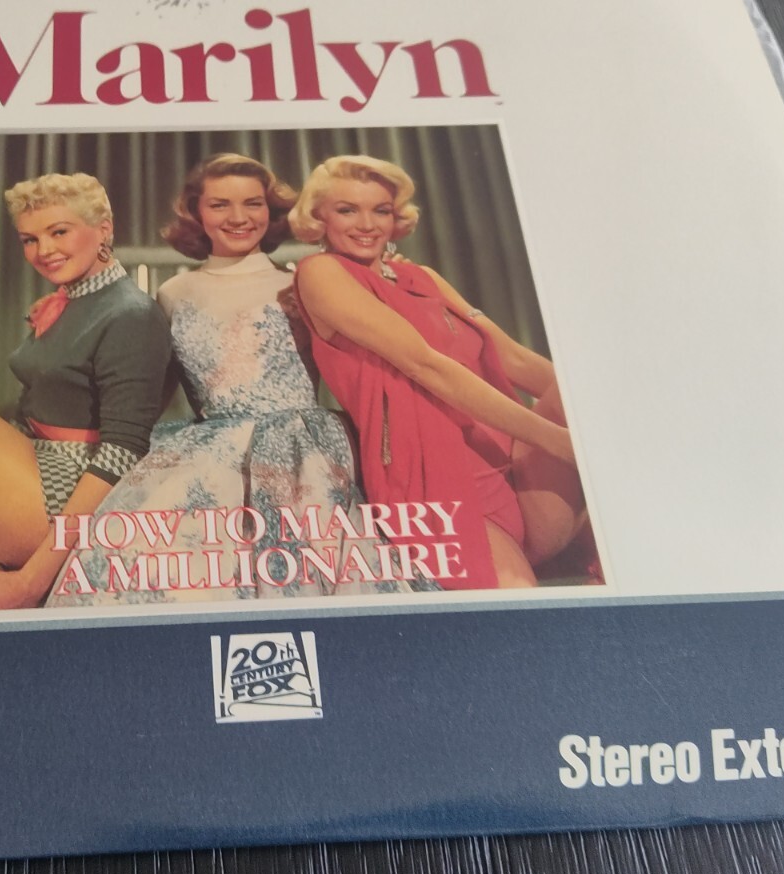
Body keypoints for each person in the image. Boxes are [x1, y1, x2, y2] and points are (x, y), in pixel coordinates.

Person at [50, 154, 404, 604]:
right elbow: (149, 396)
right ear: (196, 213)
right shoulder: (172, 294)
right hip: (209, 457)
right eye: (220, 205)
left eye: (253, 203)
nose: (239, 217)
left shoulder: (305, 282)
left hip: (304, 452)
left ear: (270, 210)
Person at [289, 155, 586, 590]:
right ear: (319, 218)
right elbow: (425, 365)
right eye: (347, 210)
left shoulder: (421, 276)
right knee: (518, 604)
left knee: (587, 380)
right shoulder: (321, 273)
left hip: (510, 455)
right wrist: (559, 441)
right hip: (435, 475)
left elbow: (514, 359)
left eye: (381, 210)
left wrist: (592, 406)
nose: (366, 224)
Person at [0, 172, 170, 610]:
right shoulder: (68, 300)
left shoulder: (132, 314)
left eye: (59, 232)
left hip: (63, 497)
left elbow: (124, 451)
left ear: (103, 229)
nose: (44, 250)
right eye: (29, 240)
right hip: (32, 464)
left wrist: (32, 581)